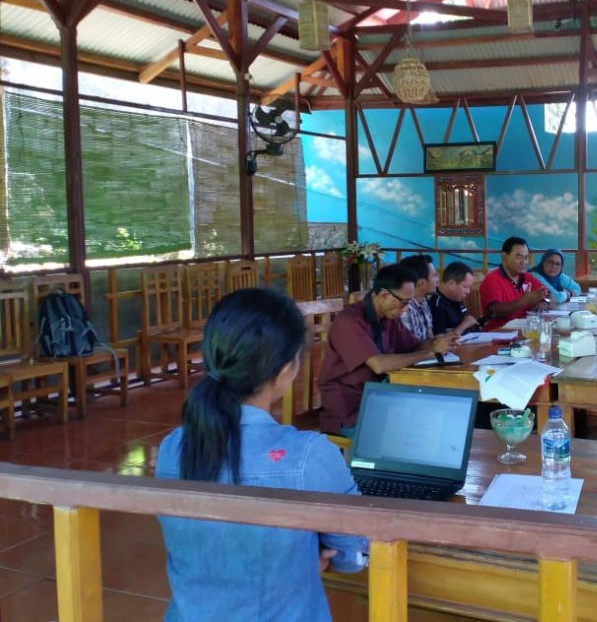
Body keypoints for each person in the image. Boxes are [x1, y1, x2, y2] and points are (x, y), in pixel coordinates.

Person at [156, 288, 368, 622]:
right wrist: (303, 557)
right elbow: (352, 555)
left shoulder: (174, 448)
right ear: (285, 370)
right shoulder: (309, 456)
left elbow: (201, 544)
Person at [317, 264, 458, 433]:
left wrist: (441, 341)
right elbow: (379, 365)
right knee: (414, 432)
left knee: (435, 419)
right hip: (351, 409)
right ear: (384, 295)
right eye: (404, 303)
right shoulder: (349, 321)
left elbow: (414, 345)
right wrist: (431, 352)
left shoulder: (388, 317)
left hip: (382, 399)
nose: (406, 309)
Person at [478, 236, 549, 330]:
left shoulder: (527, 277)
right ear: (504, 256)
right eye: (519, 257)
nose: (524, 262)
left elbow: (548, 294)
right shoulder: (492, 279)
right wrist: (525, 301)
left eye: (526, 258)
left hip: (523, 331)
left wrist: (544, 302)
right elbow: (495, 311)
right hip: (498, 333)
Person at [429, 261, 480, 336]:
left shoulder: (456, 298)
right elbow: (440, 340)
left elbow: (466, 319)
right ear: (451, 283)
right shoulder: (437, 305)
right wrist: (464, 325)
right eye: (465, 287)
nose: (468, 291)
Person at [398, 254, 438, 341]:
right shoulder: (405, 309)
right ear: (422, 283)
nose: (437, 280)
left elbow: (430, 337)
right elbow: (411, 347)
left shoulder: (423, 301)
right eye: (434, 276)